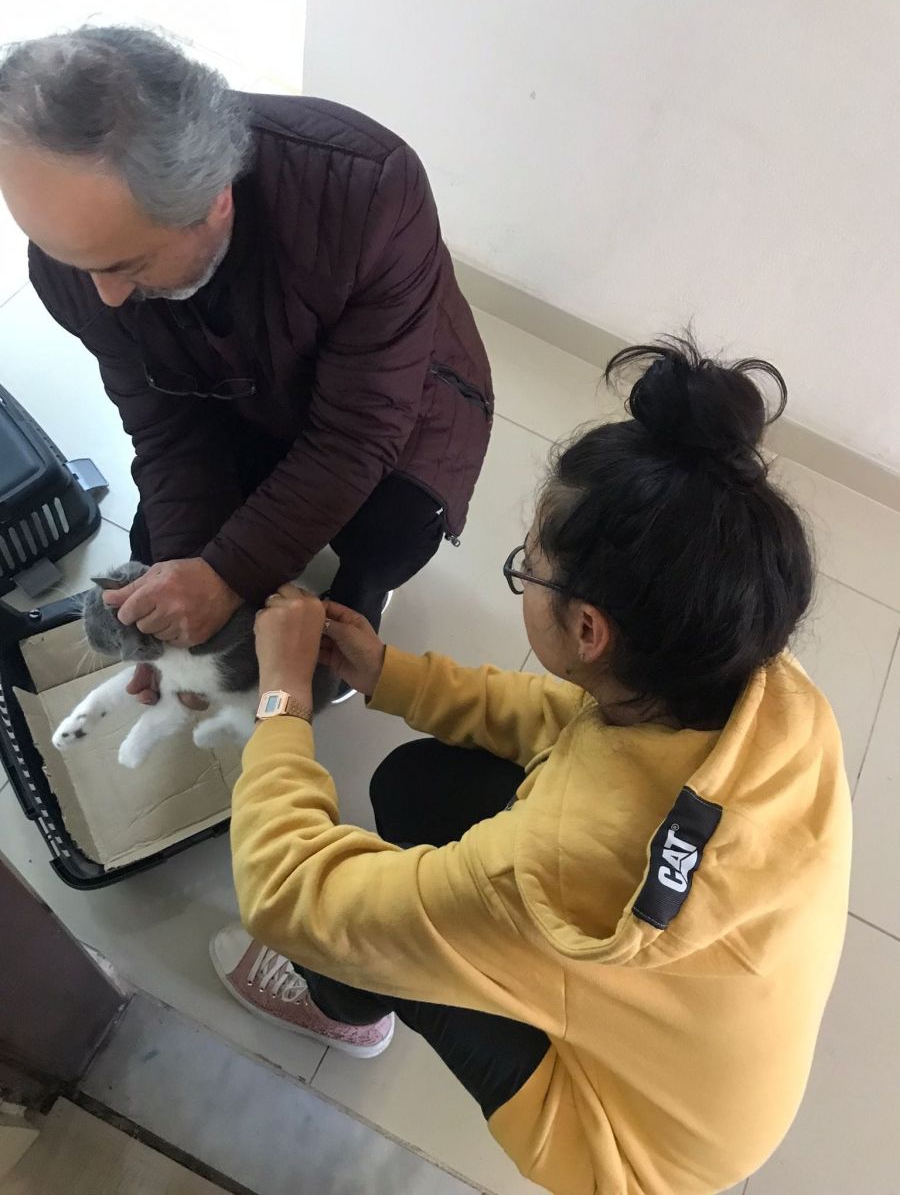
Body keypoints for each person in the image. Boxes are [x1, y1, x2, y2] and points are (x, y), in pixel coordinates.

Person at [209, 337, 851, 1195]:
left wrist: (282, 696)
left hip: (637, 1145)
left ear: (588, 629)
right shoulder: (766, 685)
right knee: (412, 785)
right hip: (718, 1050)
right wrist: (391, 674)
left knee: (358, 941)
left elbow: (291, 896)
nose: (523, 573)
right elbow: (576, 722)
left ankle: (342, 1011)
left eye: (529, 569)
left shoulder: (553, 862)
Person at [0, 27, 492, 703]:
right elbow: (164, 427)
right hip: (223, 390)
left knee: (391, 533)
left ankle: (360, 598)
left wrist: (227, 576)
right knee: (158, 540)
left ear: (216, 199)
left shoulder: (365, 188)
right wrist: (180, 596)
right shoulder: (74, 266)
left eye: (127, 265)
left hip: (398, 395)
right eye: (67, 259)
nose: (104, 296)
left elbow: (358, 432)